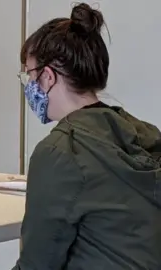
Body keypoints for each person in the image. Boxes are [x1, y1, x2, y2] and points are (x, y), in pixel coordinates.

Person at [13, 3, 161, 269]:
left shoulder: (60, 152)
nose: (28, 85)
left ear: (47, 77)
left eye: (28, 74)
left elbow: (37, 264)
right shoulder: (145, 134)